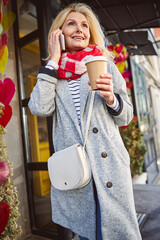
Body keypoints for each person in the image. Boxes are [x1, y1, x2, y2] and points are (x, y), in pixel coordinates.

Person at [28, 3, 142, 240]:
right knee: (89, 232)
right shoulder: (53, 74)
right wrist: (53, 60)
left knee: (118, 231)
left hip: (109, 164)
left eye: (84, 26)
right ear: (59, 32)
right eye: (71, 24)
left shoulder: (104, 64)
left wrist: (112, 98)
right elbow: (39, 108)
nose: (79, 29)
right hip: (77, 168)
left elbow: (126, 115)